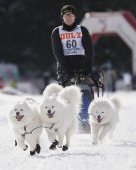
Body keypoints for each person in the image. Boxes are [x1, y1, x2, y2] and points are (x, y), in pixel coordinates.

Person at [51, 5, 95, 133]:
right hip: (65, 68)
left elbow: (89, 49)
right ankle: (69, 124)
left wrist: (88, 66)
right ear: (62, 17)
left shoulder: (82, 30)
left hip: (82, 67)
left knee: (86, 93)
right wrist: (67, 70)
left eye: (70, 14)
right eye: (66, 15)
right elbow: (58, 52)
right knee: (67, 96)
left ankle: (87, 121)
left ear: (75, 16)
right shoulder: (57, 32)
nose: (68, 17)